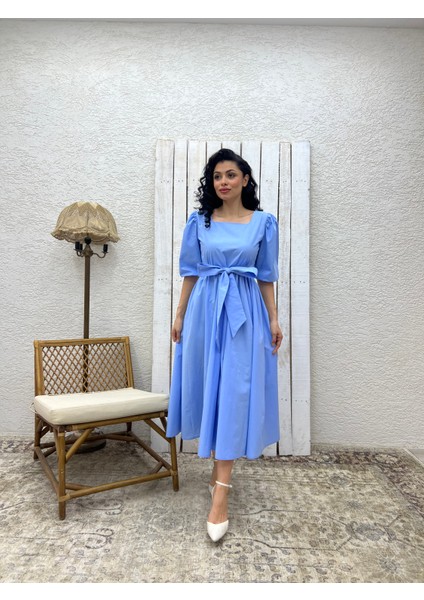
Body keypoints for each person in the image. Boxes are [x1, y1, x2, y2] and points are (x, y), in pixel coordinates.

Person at [166, 148, 283, 542]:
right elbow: (190, 271)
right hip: (205, 311)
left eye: (231, 174)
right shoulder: (199, 221)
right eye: (217, 176)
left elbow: (265, 275)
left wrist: (274, 318)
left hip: (244, 313)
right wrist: (180, 315)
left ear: (245, 179)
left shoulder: (263, 222)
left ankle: (221, 495)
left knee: (234, 392)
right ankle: (217, 477)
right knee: (211, 391)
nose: (223, 182)